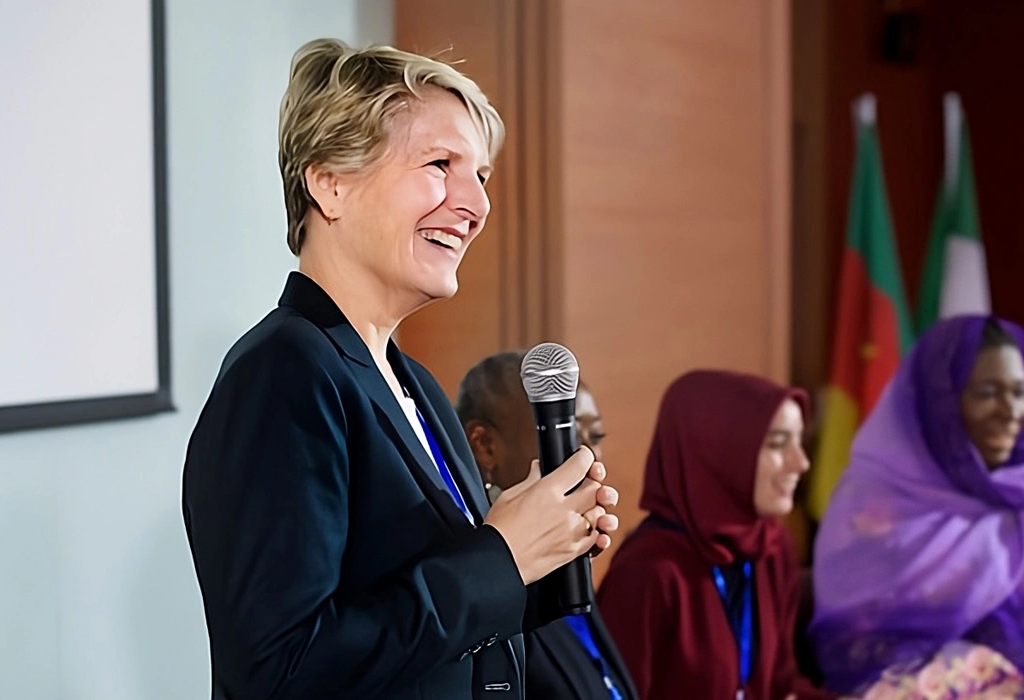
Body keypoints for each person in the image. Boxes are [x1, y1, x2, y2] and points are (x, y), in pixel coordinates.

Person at [181, 39, 620, 699]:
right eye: (441, 164)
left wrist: (542, 551)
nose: (477, 206)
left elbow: (423, 630)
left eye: (481, 176)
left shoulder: (415, 384)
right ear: (330, 183)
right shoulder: (281, 375)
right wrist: (499, 558)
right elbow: (280, 671)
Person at [809, 315, 1024, 700]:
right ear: (941, 404)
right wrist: (998, 682)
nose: (1010, 411)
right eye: (986, 393)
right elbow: (860, 649)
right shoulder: (878, 505)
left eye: (1020, 392)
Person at [596, 370, 835, 700]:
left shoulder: (770, 547)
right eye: (778, 444)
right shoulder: (648, 571)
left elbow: (780, 687)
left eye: (799, 441)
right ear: (719, 449)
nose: (802, 463)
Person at [457, 351, 637, 700]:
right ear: (485, 446)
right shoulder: (481, 585)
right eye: (570, 436)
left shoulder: (571, 572)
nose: (589, 457)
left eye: (596, 437)